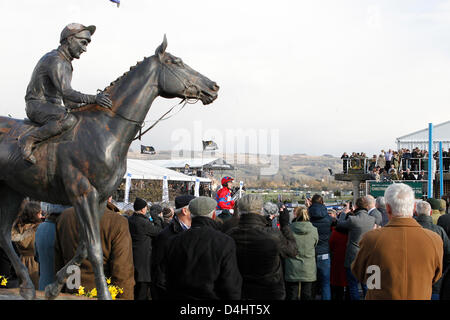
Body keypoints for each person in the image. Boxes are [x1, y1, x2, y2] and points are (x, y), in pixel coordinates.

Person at [18, 23, 112, 164]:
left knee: (79, 118)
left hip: (53, 107)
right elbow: (67, 93)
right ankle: (28, 139)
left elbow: (69, 102)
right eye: (83, 43)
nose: (85, 49)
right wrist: (94, 99)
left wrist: (88, 110)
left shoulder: (66, 63)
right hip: (38, 106)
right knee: (68, 120)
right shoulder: (56, 60)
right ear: (70, 39)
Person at [352, 183, 443, 299]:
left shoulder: (371, 239)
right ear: (414, 208)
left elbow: (359, 273)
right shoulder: (434, 240)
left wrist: (377, 282)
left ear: (388, 208)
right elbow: (435, 276)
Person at [163, 197, 242, 299]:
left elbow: (165, 279)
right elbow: (230, 284)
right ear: (213, 215)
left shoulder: (173, 241)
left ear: (191, 215)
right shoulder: (224, 242)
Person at [54, 201, 135, 299]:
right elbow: (122, 272)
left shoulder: (64, 217)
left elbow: (58, 264)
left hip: (71, 291)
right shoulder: (117, 221)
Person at [226, 194, 297, 300]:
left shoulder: (230, 235)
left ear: (239, 210)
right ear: (261, 210)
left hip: (241, 290)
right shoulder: (273, 235)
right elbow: (292, 251)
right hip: (270, 291)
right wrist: (285, 226)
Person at [151, 195, 195, 300]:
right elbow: (159, 271)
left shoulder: (195, 231)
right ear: (185, 211)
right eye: (194, 207)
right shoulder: (166, 235)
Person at [336, 197, 375, 300]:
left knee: (353, 286)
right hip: (367, 256)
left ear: (355, 206)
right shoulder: (372, 220)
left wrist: (344, 212)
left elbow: (339, 224)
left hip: (352, 257)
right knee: (366, 285)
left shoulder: (353, 220)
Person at [128, 197, 162, 300]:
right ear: (143, 209)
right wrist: (156, 218)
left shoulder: (129, 220)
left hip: (132, 257)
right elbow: (158, 231)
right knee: (142, 291)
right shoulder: (143, 222)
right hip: (143, 261)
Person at [414, 200, 450, 299]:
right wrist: (441, 272)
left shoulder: (410, 230)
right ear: (430, 213)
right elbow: (448, 255)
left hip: (414, 283)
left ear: (415, 213)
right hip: (435, 282)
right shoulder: (439, 231)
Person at [284, 206, 318, 300]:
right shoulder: (314, 230)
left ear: (295, 214)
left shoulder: (289, 229)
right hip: (308, 268)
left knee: (292, 295)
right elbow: (315, 244)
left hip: (292, 267)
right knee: (307, 295)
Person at [11, 201, 43, 289]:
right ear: (33, 215)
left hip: (21, 262)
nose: (41, 216)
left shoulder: (18, 227)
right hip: (35, 263)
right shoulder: (38, 228)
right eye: (39, 213)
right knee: (35, 290)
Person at [34, 204, 65, 291]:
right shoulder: (63, 229)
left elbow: (36, 256)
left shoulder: (40, 227)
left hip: (43, 283)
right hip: (58, 287)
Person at [307, 194, 333, 300]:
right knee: (326, 284)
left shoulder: (308, 216)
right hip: (325, 253)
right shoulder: (328, 218)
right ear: (322, 202)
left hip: (311, 253)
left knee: (311, 284)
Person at [329, 217, 349, 300]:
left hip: (336, 259)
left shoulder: (334, 233)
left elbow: (331, 245)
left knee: (337, 282)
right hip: (347, 258)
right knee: (348, 282)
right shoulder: (350, 233)